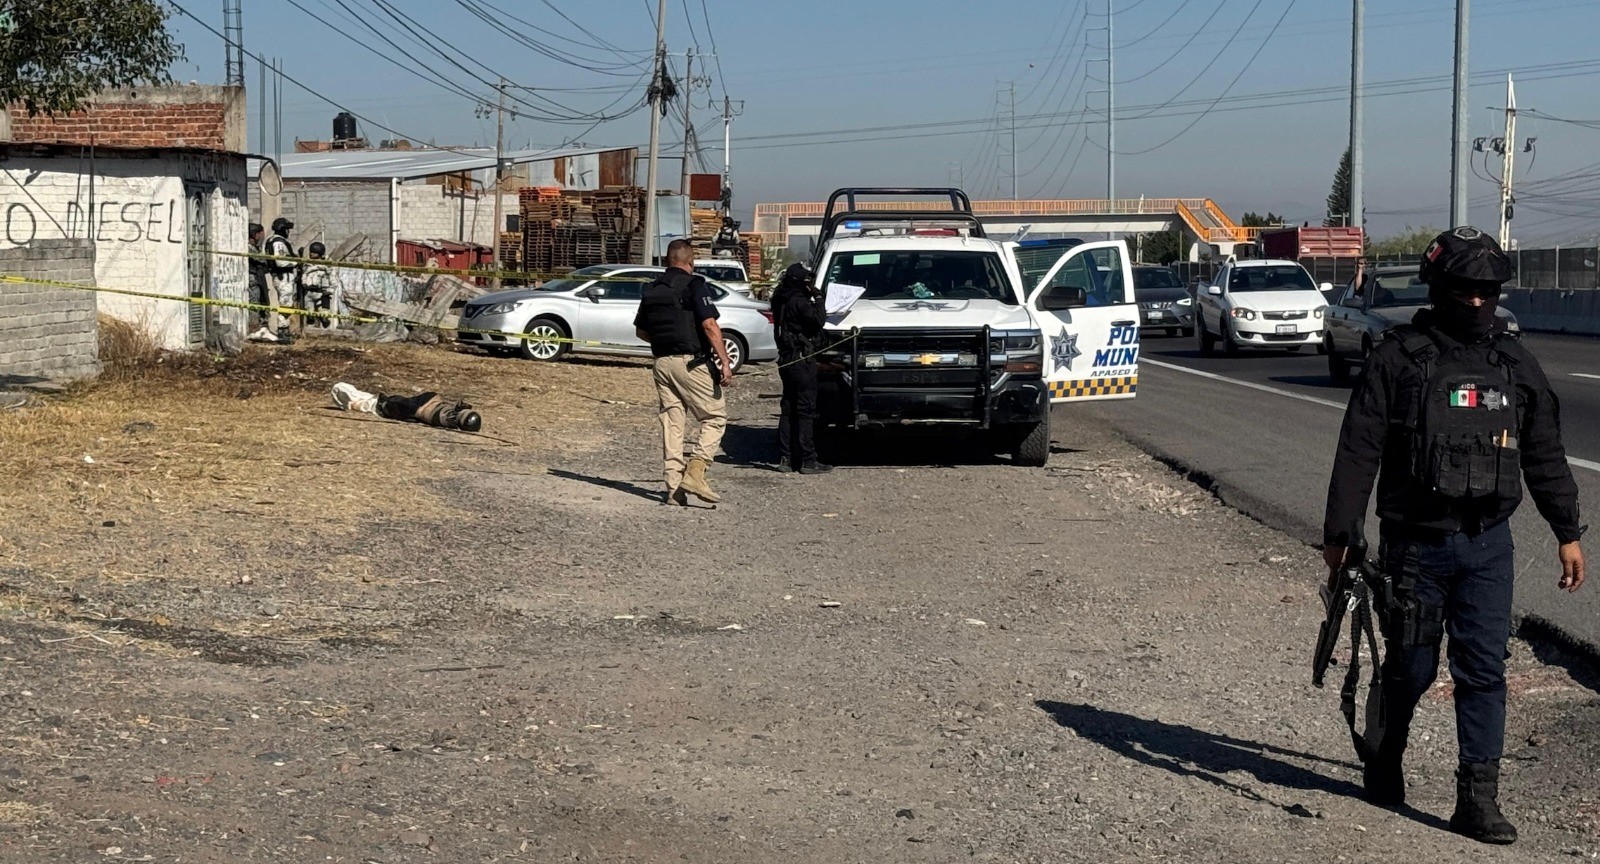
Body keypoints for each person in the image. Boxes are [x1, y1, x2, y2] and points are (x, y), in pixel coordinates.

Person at [1322, 226, 1586, 845]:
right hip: (1414, 547)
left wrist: (1566, 531)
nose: (1476, 301)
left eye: (1488, 290)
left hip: (1490, 545)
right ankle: (1385, 758)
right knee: (1411, 670)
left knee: (1483, 671)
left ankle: (1478, 799)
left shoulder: (1515, 363)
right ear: (1438, 285)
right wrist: (1341, 535)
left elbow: (1545, 452)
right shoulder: (1397, 358)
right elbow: (1358, 449)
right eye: (1465, 289)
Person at [634, 238, 735, 505]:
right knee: (714, 416)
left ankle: (673, 488)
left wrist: (665, 341)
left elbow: (641, 331)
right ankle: (696, 471)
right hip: (690, 362)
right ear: (691, 262)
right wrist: (725, 361)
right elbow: (710, 325)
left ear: (668, 260)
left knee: (672, 422)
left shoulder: (652, 289)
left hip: (661, 364)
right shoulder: (694, 285)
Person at [770, 261, 832, 474]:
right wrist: (819, 298)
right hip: (801, 359)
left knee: (787, 408)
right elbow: (819, 320)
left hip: (786, 359)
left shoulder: (780, 299)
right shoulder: (799, 301)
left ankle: (785, 457)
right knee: (805, 410)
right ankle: (808, 459)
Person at [264, 217, 298, 343]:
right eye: (287, 229)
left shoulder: (273, 241)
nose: (288, 232)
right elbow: (280, 262)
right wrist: (295, 262)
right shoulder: (278, 242)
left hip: (283, 277)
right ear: (282, 230)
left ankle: (285, 331)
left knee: (287, 305)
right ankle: (283, 332)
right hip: (283, 277)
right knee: (285, 305)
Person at [299, 241, 336, 332]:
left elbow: (333, 278)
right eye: (311, 252)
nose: (311, 254)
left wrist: (330, 290)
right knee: (309, 311)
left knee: (323, 311)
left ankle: (324, 320)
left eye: (314, 253)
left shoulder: (326, 265)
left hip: (321, 292)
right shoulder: (306, 263)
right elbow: (302, 273)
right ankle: (310, 321)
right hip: (308, 292)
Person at [247, 223, 271, 338]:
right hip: (253, 277)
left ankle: (262, 327)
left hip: (259, 277)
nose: (261, 237)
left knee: (262, 301)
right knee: (254, 302)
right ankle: (254, 327)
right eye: (259, 234)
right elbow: (260, 260)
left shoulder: (256, 247)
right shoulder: (249, 247)